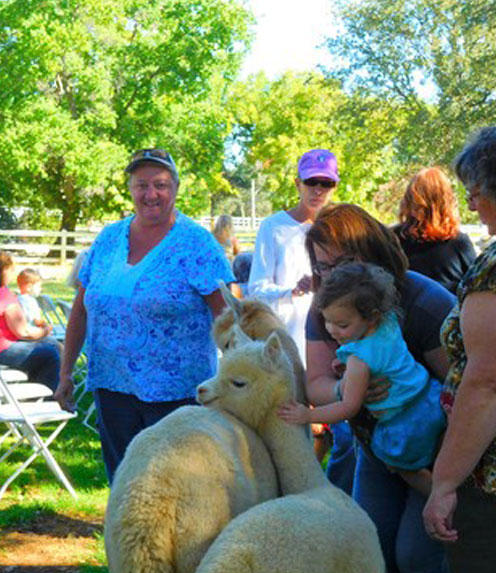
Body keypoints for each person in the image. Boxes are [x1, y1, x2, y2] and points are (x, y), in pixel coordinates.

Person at [53, 148, 233, 483]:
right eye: (141, 185)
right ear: (131, 189)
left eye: (161, 185)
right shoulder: (109, 238)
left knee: (173, 486)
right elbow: (82, 306)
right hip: (111, 385)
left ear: (176, 188)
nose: (151, 194)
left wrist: (235, 380)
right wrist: (66, 373)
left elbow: (228, 316)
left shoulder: (198, 244)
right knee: (123, 482)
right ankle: (126, 537)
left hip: (176, 396)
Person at [304, 203, 455, 573]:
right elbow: (315, 381)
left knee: (417, 556)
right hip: (375, 446)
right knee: (371, 546)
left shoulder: (425, 303)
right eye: (322, 266)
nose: (332, 275)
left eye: (345, 261)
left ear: (375, 250)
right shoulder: (331, 308)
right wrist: (347, 391)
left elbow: (463, 386)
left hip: (437, 447)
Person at [280, 262, 446, 497]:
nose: (332, 330)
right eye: (327, 321)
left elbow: (348, 407)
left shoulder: (360, 360)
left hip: (405, 422)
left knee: (401, 466)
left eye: (342, 324)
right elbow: (381, 357)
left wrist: (308, 415)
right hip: (429, 397)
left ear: (370, 317)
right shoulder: (387, 322)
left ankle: (440, 499)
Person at [423, 127, 496, 573]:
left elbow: (486, 382)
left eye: (474, 193)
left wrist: (445, 483)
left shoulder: (493, 270)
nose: (469, 205)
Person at [248, 148, 339, 366]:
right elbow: (256, 287)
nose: (318, 190)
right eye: (311, 182)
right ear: (298, 183)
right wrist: (292, 291)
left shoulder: (338, 229)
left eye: (325, 183)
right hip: (288, 339)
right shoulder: (273, 227)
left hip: (332, 336)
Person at [0, 250, 60, 390]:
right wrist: (45, 330)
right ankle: (47, 401)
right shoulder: (2, 295)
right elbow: (24, 332)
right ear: (4, 271)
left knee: (48, 345)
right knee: (50, 354)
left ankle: (35, 395)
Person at [394, 166, 476, 293]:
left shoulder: (393, 239)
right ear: (446, 201)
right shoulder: (459, 242)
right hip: (449, 310)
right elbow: (474, 286)